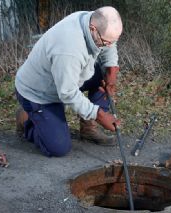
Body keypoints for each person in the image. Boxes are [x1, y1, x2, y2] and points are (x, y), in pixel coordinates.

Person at [15, 6, 123, 157]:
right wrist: (100, 115)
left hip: (66, 76)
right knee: (59, 147)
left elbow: (110, 46)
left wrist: (111, 74)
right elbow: (68, 92)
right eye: (106, 42)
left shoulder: (93, 21)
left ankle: (88, 129)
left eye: (112, 41)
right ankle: (26, 120)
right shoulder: (68, 48)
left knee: (102, 75)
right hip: (39, 92)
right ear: (93, 29)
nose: (109, 46)